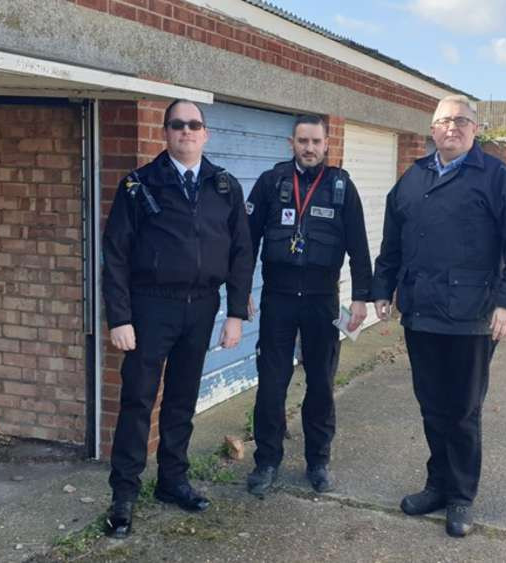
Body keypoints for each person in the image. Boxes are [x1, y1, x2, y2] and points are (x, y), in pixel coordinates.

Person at [372, 95, 506, 537]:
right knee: (431, 405)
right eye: (444, 121)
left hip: (471, 318)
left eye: (462, 121)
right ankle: (437, 486)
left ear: (475, 129)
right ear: (432, 130)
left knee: (462, 411)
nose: (452, 127)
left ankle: (461, 496)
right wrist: (382, 289)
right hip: (421, 313)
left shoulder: (497, 178)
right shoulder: (413, 178)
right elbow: (393, 243)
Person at [101, 99, 253, 538]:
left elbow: (241, 253)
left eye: (194, 125)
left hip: (202, 306)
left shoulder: (224, 186)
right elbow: (115, 255)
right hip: (151, 306)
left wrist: (236, 314)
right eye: (177, 125)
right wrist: (120, 317)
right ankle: (124, 495)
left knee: (183, 400)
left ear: (205, 133)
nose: (186, 131)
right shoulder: (139, 185)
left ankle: (172, 481)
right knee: (137, 400)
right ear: (165, 133)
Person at [245, 115, 372, 496]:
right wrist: (240, 293)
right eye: (302, 140)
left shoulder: (341, 187)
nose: (309, 147)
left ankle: (318, 461)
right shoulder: (271, 183)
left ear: (327, 143)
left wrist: (361, 297)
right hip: (278, 299)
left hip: (322, 300)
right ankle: (267, 461)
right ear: (291, 143)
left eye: (316, 141)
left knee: (320, 384)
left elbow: (359, 247)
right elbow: (246, 243)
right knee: (271, 385)